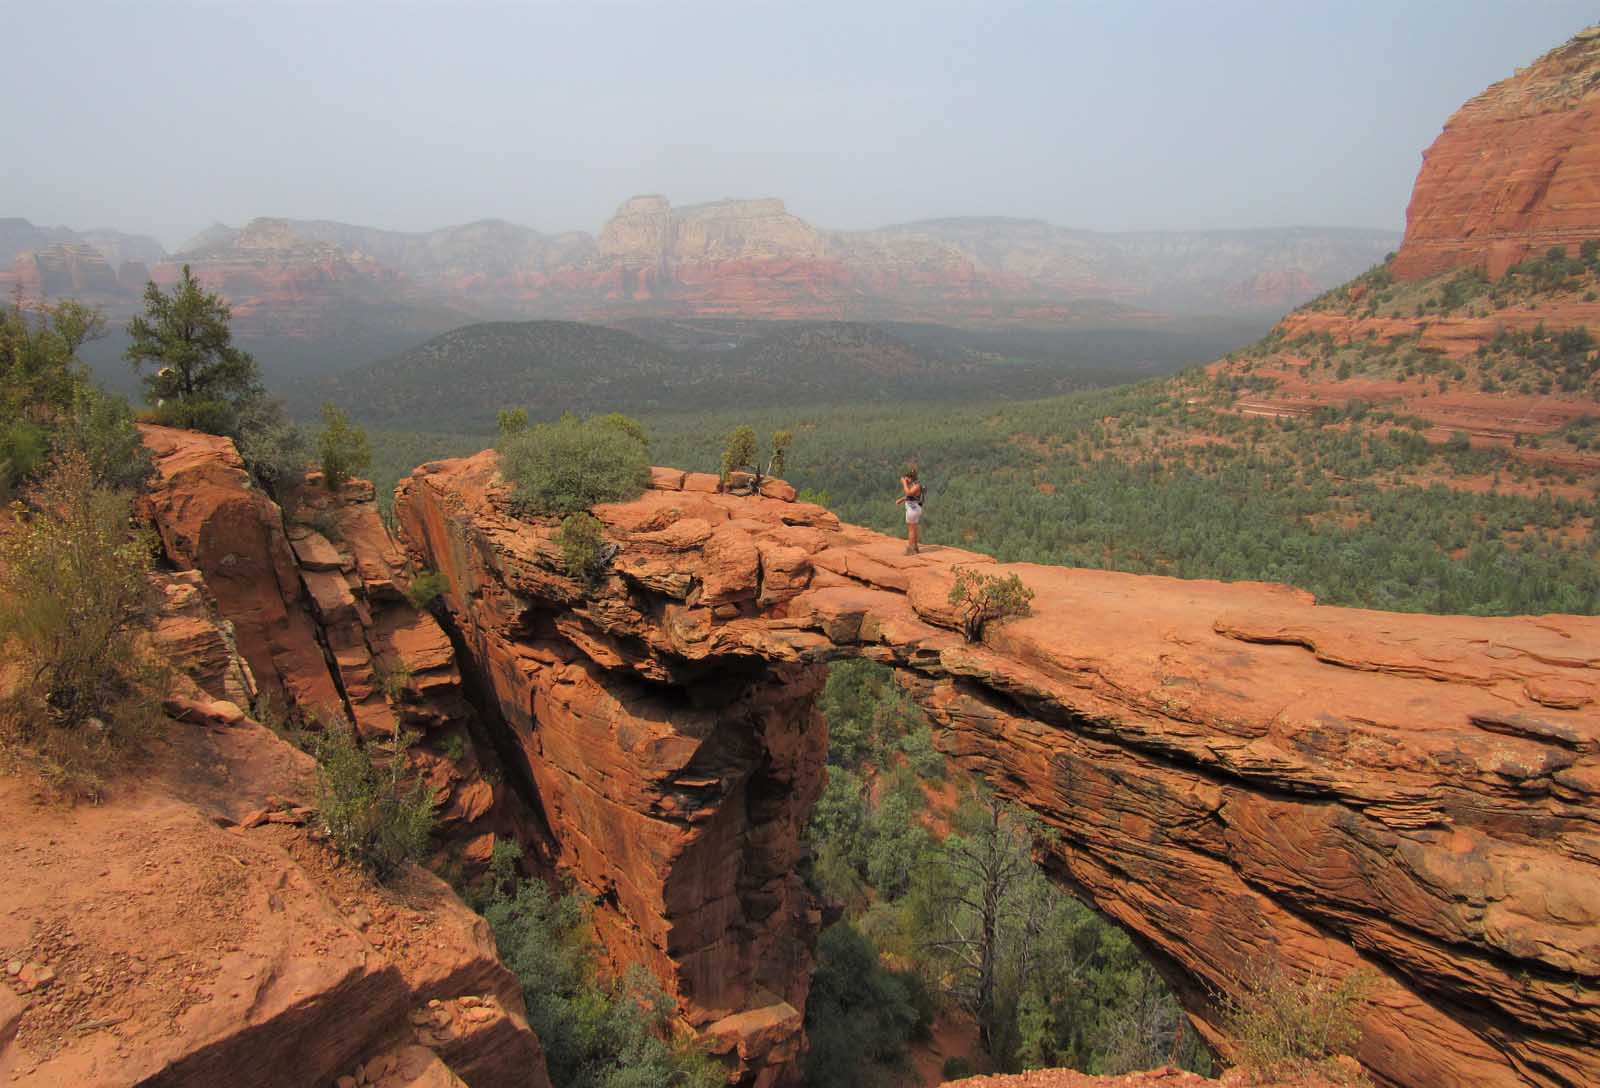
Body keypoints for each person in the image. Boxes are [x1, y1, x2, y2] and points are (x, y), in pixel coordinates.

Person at [896, 467, 924, 555]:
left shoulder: (916, 485)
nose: (905, 479)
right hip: (914, 508)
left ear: (910, 477)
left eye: (906, 478)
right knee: (914, 529)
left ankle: (910, 549)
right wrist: (902, 499)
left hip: (913, 509)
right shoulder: (914, 484)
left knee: (911, 530)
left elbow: (909, 493)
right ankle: (915, 548)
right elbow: (911, 496)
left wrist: (904, 483)